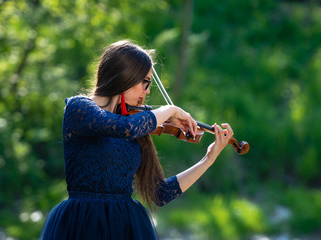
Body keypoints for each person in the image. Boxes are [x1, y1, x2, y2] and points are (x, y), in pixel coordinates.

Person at [39, 40, 234, 240]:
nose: (147, 91)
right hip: (82, 224)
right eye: (145, 82)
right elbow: (124, 128)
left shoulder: (135, 123)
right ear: (125, 76)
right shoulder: (78, 108)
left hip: (125, 227)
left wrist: (208, 159)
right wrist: (170, 110)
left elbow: (160, 193)